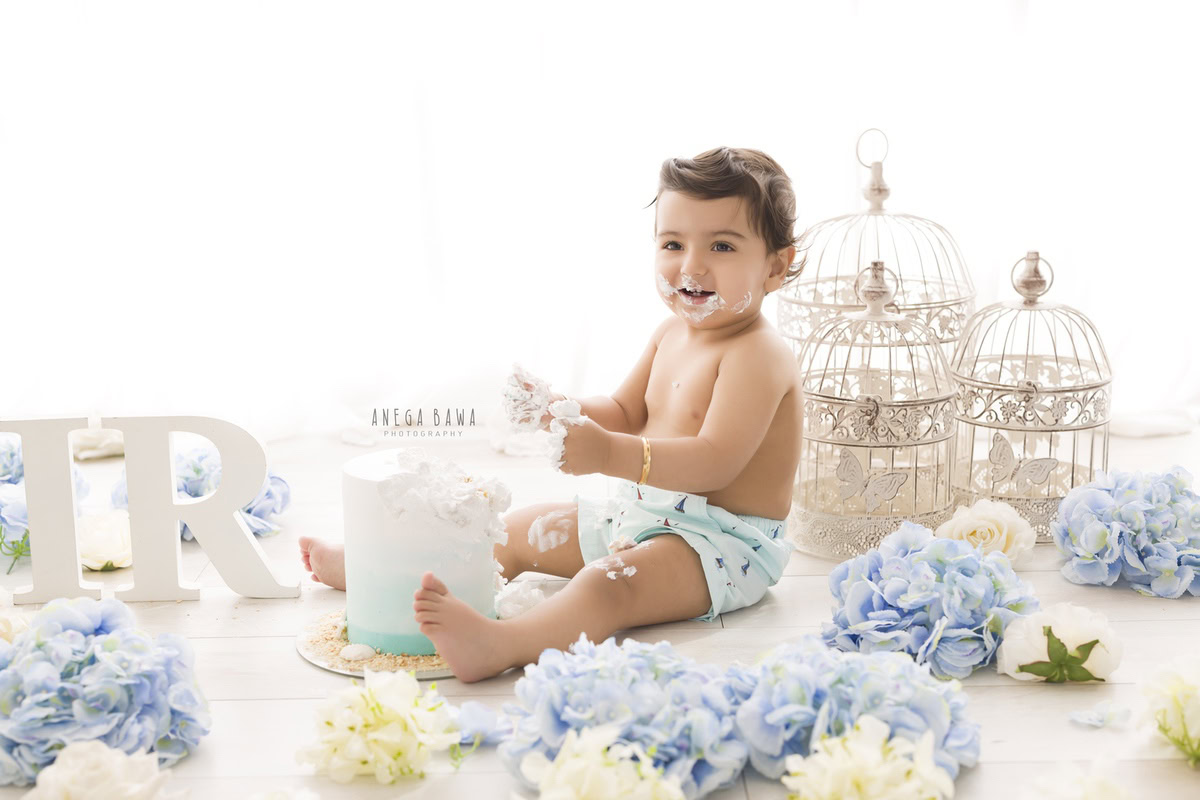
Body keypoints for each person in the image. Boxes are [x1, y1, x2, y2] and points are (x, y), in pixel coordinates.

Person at [301, 146, 806, 682]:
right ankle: (379, 575)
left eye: (722, 246)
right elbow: (623, 410)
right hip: (638, 517)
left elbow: (715, 463)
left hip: (721, 545)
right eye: (673, 244)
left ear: (775, 266)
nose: (691, 266)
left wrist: (608, 453)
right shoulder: (671, 334)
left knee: (609, 584)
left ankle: (503, 644)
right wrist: (557, 410)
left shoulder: (759, 354)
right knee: (516, 528)